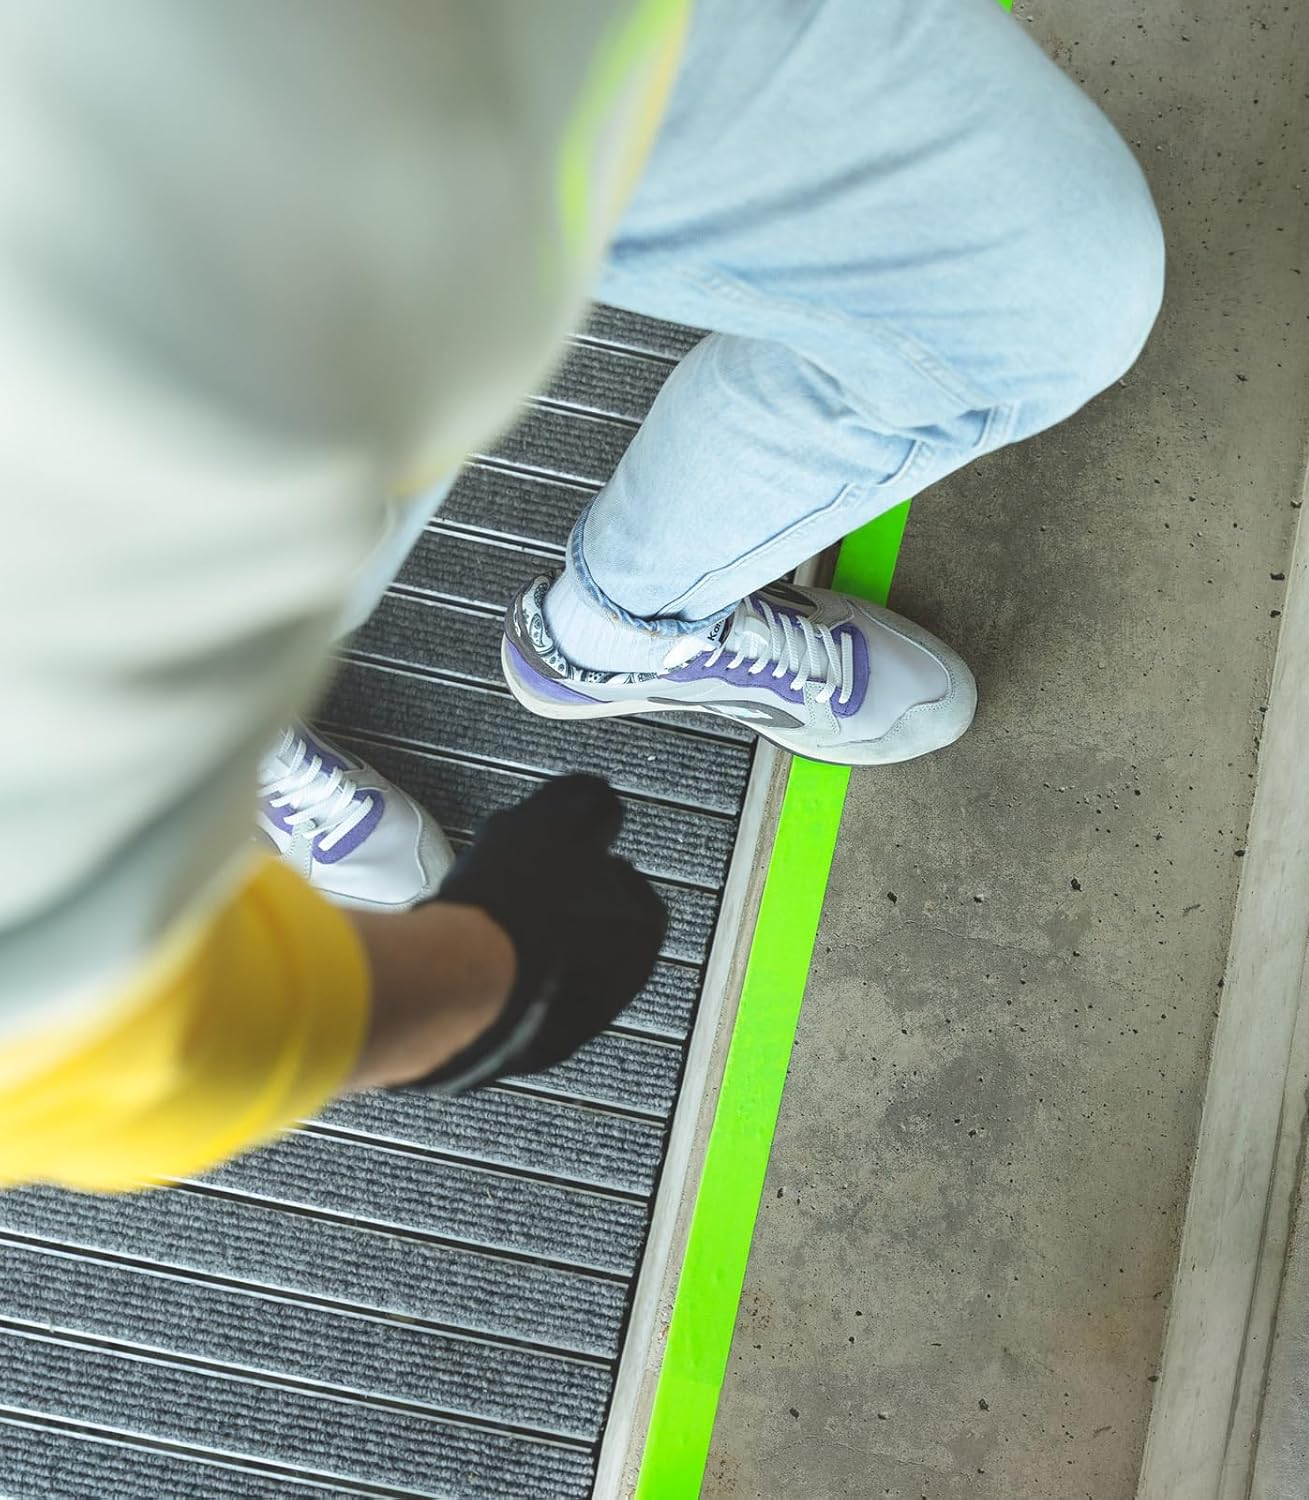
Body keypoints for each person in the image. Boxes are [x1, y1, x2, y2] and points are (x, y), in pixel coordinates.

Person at [0, 0, 1163, 1191]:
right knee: (222, 527)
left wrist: (488, 993)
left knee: (1050, 289)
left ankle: (613, 636)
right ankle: (191, 753)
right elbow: (62, 1034)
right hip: (176, 258)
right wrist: (476, 990)